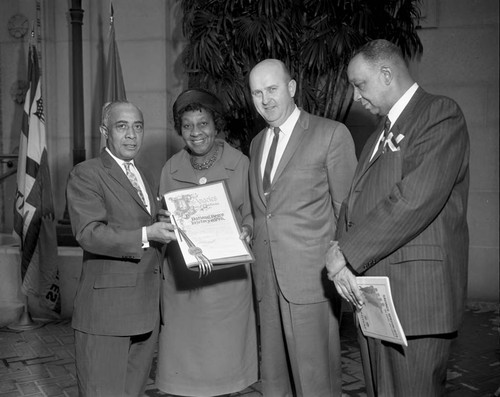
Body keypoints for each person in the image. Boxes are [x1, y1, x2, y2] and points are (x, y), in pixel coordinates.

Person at [325, 39, 470, 397]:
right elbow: (355, 202)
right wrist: (339, 255)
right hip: (377, 299)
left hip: (417, 301)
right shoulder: (377, 134)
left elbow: (414, 199)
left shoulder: (439, 114)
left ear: (387, 74)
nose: (356, 97)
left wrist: (345, 252)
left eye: (360, 84)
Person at [248, 59, 357, 396]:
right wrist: (246, 230)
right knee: (274, 380)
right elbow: (264, 212)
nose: (265, 100)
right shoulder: (256, 143)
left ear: (292, 88)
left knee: (315, 382)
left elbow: (348, 212)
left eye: (272, 89)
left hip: (311, 284)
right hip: (267, 280)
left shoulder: (330, 134)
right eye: (256, 93)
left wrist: (347, 269)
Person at [66, 101, 176, 397]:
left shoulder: (145, 174)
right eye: (122, 126)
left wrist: (161, 222)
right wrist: (146, 232)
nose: (131, 135)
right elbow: (89, 233)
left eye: (137, 127)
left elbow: (141, 222)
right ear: (105, 131)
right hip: (107, 314)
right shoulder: (86, 173)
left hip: (145, 309)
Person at [155, 88, 258, 397]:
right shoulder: (169, 169)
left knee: (225, 370)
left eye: (203, 124)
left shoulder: (240, 164)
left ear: (216, 125)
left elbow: (252, 214)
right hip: (184, 286)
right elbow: (163, 219)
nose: (196, 132)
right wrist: (163, 224)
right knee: (185, 374)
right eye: (187, 125)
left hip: (227, 287)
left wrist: (248, 230)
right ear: (179, 129)